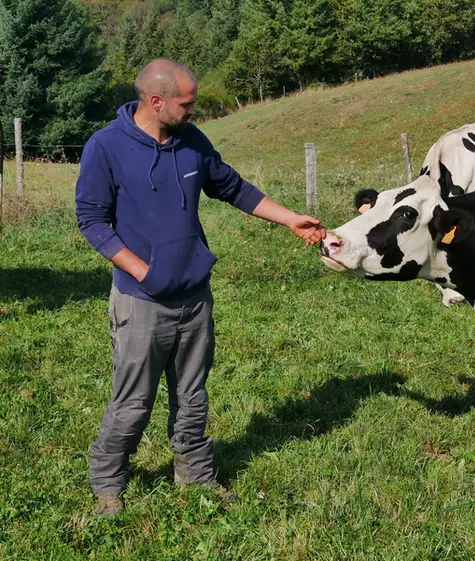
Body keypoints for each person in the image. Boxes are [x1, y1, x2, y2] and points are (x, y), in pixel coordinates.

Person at [75, 58, 325, 515]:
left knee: (192, 395)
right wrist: (142, 270)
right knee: (133, 401)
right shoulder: (106, 146)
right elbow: (92, 220)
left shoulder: (192, 141)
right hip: (141, 301)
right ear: (156, 101)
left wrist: (291, 218)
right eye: (186, 104)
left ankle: (195, 474)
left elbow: (234, 188)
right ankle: (108, 483)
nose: (194, 111)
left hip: (194, 296)